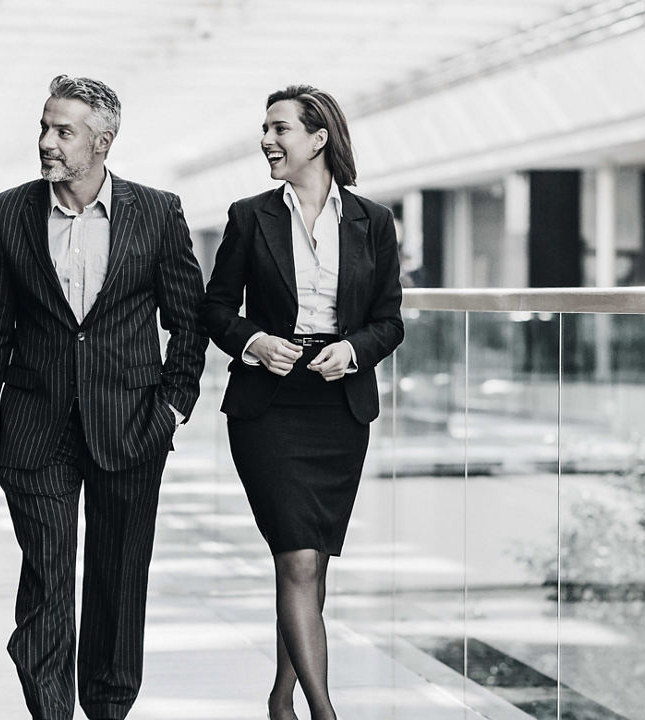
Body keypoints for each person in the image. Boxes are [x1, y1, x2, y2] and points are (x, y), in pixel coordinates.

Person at [0, 76, 206, 720]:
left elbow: (189, 319)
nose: (46, 142)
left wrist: (174, 407)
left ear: (103, 141)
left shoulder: (158, 211)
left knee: (119, 584)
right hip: (38, 426)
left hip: (132, 424)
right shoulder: (8, 211)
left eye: (63, 131)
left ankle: (109, 708)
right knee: (46, 584)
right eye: (44, 127)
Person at [199, 85, 404, 720]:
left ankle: (282, 699)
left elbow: (390, 320)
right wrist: (255, 341)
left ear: (319, 139)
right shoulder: (247, 215)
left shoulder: (374, 220)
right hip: (270, 407)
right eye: (265, 129)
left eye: (280, 129)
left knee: (311, 560)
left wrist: (355, 350)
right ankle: (323, 711)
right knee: (294, 553)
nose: (267, 140)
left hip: (338, 405)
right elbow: (213, 308)